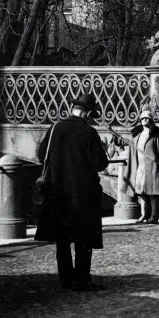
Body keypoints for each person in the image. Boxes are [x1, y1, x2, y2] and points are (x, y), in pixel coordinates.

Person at [35, 93, 109, 291]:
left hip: (58, 194)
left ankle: (65, 279)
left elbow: (41, 155)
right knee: (84, 238)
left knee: (62, 238)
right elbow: (100, 163)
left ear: (73, 109)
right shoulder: (89, 132)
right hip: (83, 195)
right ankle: (82, 279)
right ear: (88, 113)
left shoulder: (55, 128)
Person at [121, 108, 159, 224]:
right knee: (142, 192)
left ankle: (154, 216)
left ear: (151, 120)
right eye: (143, 118)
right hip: (140, 167)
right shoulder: (137, 136)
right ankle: (145, 214)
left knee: (154, 193)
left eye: (147, 118)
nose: (145, 120)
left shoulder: (156, 135)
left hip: (153, 167)